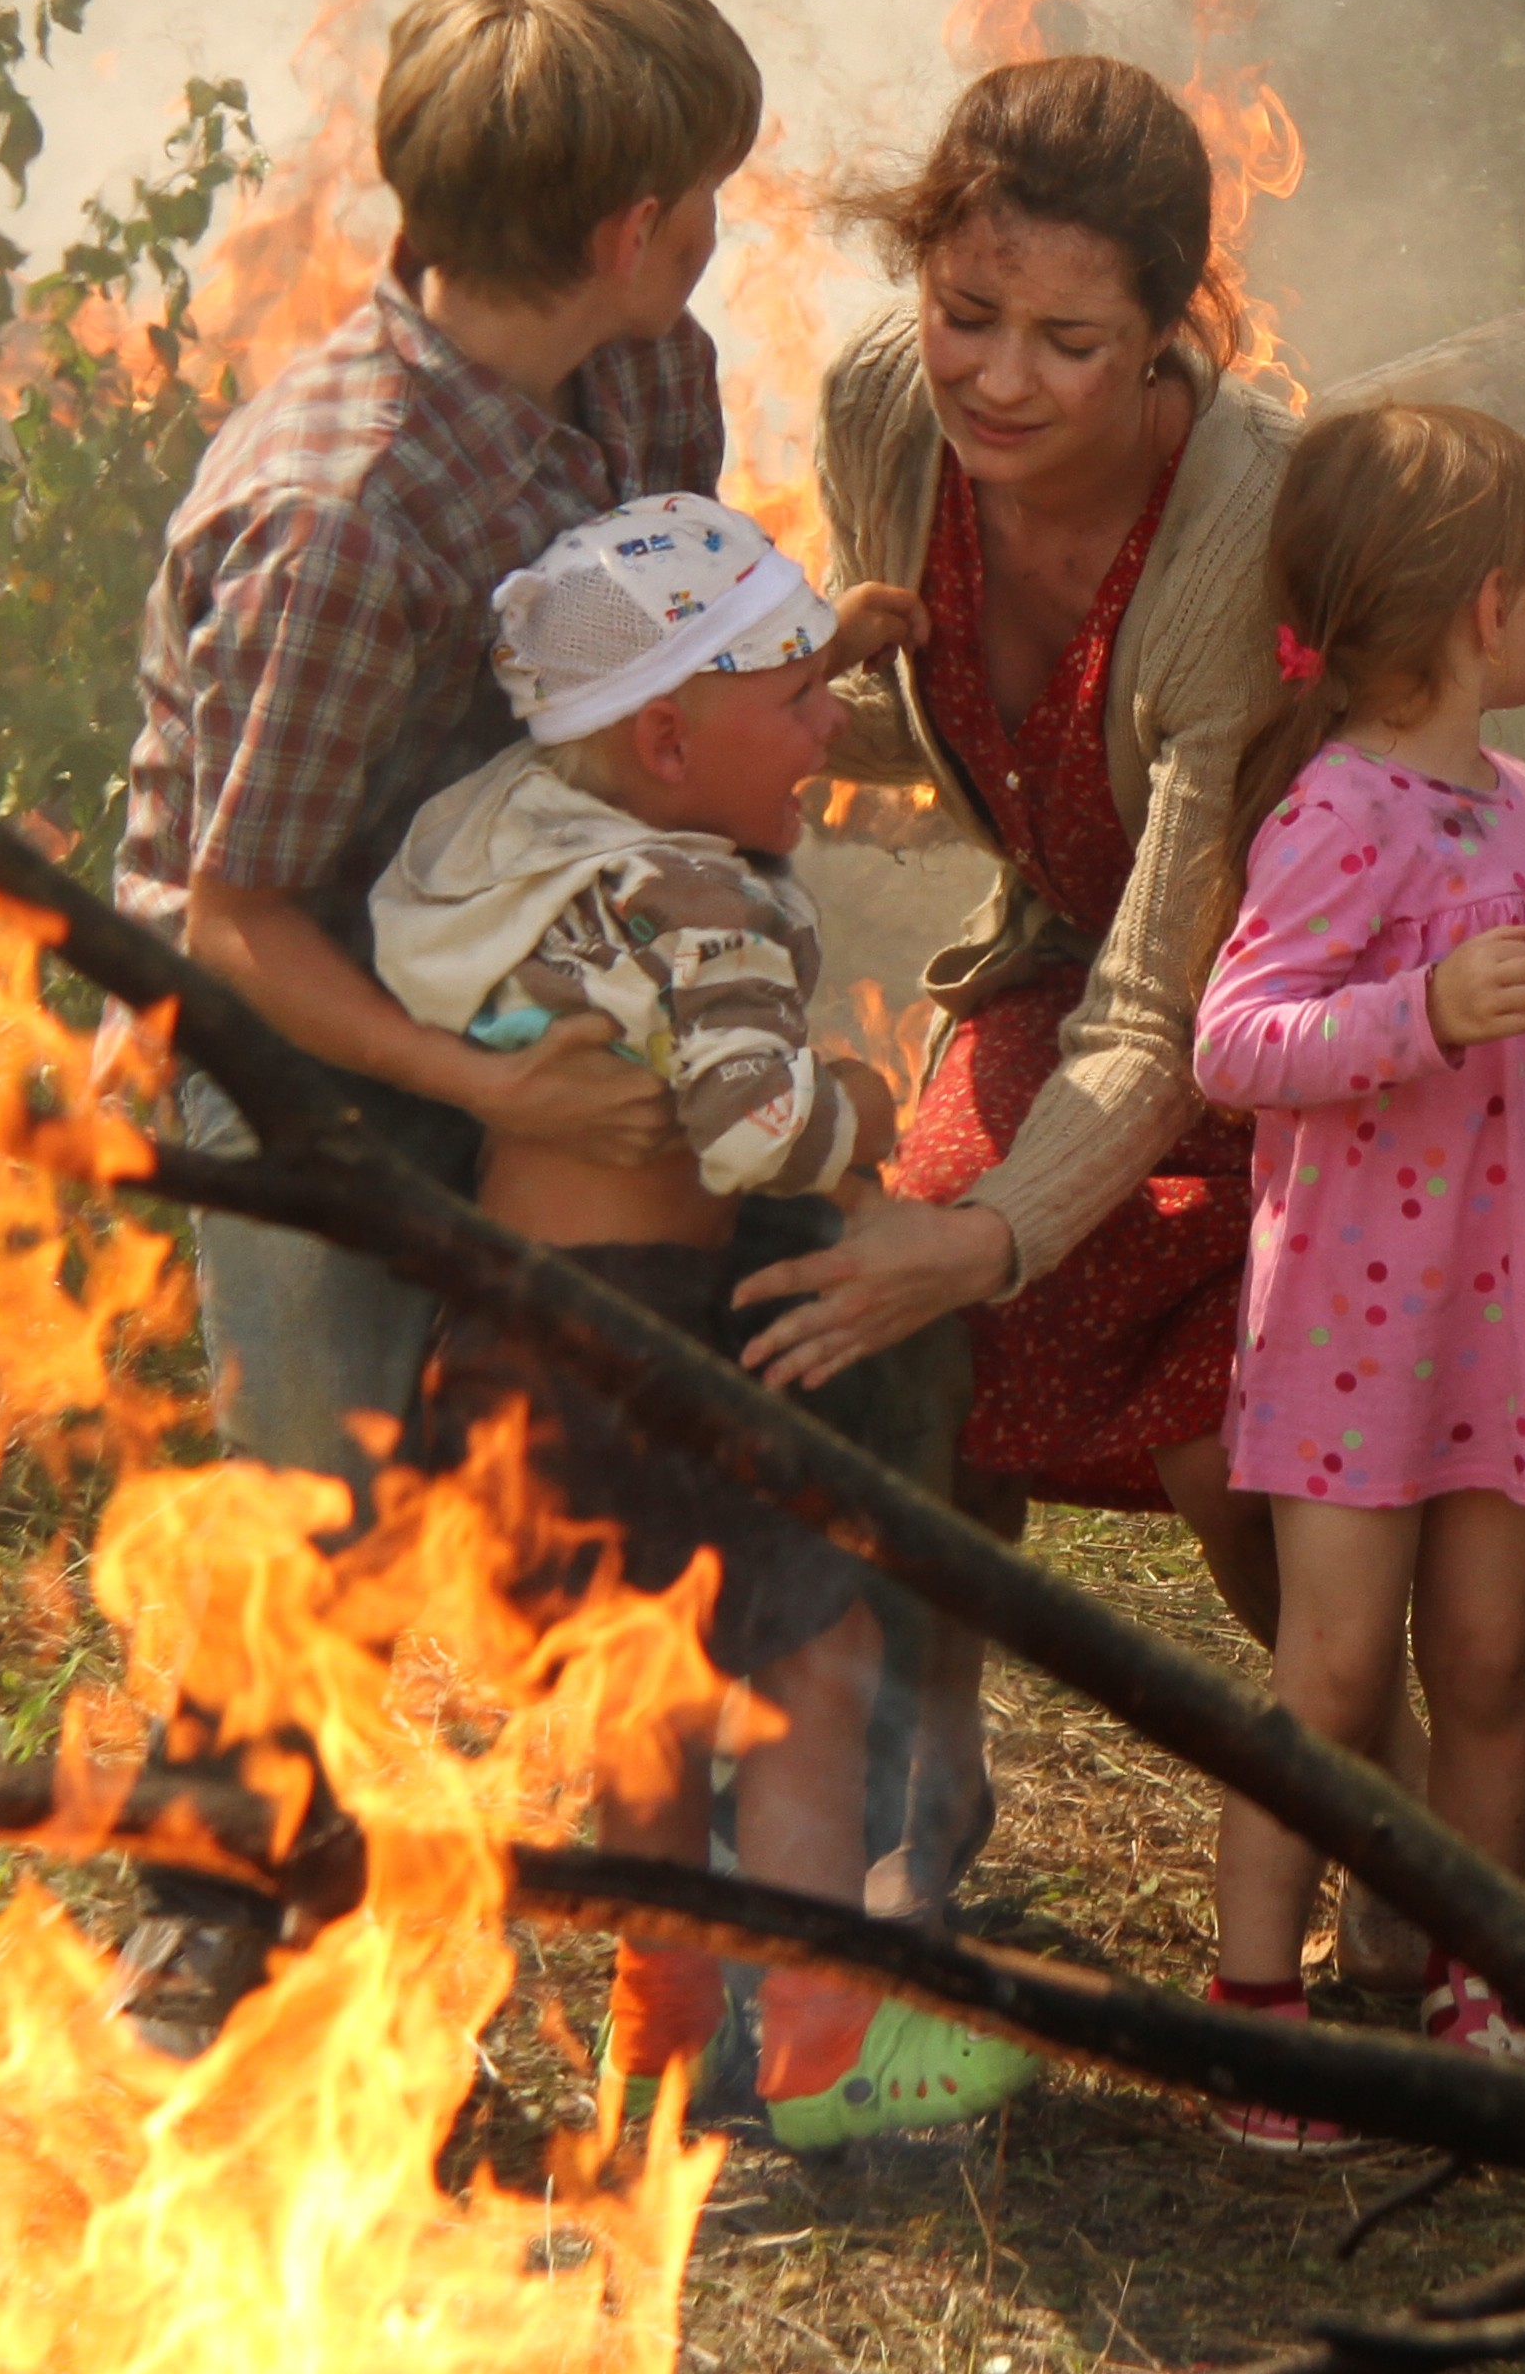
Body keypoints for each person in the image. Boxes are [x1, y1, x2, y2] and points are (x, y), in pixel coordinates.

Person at [105, 0, 892, 2054]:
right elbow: (234, 916)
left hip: (554, 947)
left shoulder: (647, 373)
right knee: (326, 1474)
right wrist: (492, 1093)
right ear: (629, 225)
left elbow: (655, 676)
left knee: (673, 1418)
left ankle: (758, 1905)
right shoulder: (342, 514)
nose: (717, 231)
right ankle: (208, 1904)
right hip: (311, 1037)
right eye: (706, 195)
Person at [740, 57, 1395, 1932]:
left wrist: (986, 1237)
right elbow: (923, 711)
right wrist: (707, 732)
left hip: (1289, 989)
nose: (1000, 380)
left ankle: (1380, 1811)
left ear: (1171, 327)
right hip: (1072, 940)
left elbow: (1162, 1009)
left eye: (1068, 340)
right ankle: (906, 1848)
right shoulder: (882, 395)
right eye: (969, 315)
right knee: (915, 1372)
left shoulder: (1234, 524)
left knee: (1231, 1442)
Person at [364, 492, 1033, 2150]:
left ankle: (656, 2040)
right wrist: (869, 1112)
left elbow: (711, 721)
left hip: (512, 1338)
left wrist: (818, 653)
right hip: (656, 1341)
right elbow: (754, 1131)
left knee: (640, 1706)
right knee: (816, 1665)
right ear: (667, 741)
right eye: (801, 708)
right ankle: (818, 2056)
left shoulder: (527, 830)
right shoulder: (697, 906)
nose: (832, 738)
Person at [1184, 404, 1525, 2132]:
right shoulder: (1342, 809)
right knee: (1333, 1674)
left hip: (1509, 1322)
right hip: (1357, 1329)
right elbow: (1236, 1043)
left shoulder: (1521, 799)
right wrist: (1410, 1014)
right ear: (1491, 606)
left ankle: (1482, 1991)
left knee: (1491, 1661)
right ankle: (1261, 2008)